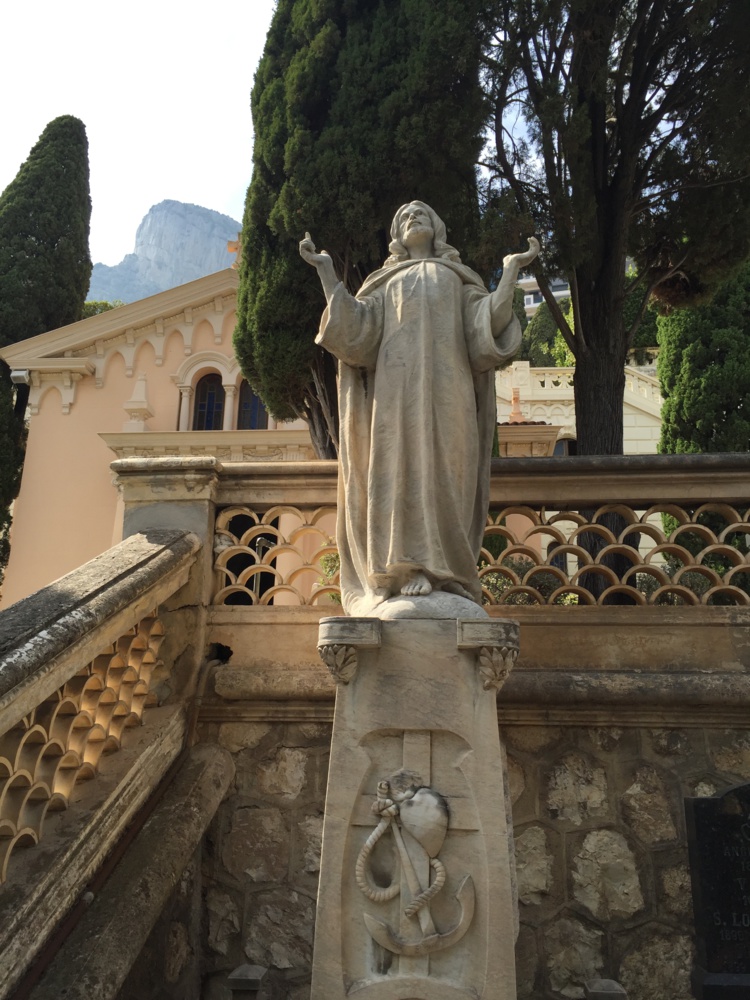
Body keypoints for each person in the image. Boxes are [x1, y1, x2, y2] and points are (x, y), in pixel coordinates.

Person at [300, 201, 539, 616]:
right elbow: (355, 332)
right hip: (396, 398)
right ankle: (407, 567)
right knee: (399, 475)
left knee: (449, 473)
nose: (413, 219)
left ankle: (450, 573)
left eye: (422, 214)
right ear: (396, 234)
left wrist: (511, 271)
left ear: (438, 227)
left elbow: (487, 330)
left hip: (451, 395)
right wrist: (325, 271)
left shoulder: (457, 279)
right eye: (405, 217)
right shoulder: (384, 282)